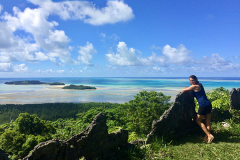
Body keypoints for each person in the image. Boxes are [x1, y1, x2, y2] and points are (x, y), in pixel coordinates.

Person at [182, 75, 214, 143]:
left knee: (198, 121)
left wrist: (187, 88)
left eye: (193, 80)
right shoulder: (200, 84)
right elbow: (190, 88)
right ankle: (206, 138)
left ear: (196, 79)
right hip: (208, 104)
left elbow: (183, 90)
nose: (191, 81)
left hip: (203, 105)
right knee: (207, 122)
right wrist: (189, 87)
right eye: (190, 80)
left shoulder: (194, 86)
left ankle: (209, 135)